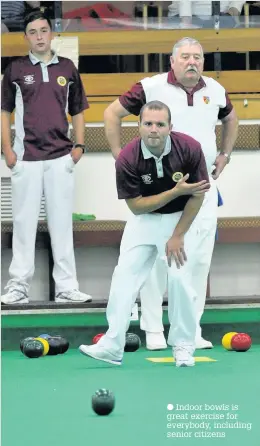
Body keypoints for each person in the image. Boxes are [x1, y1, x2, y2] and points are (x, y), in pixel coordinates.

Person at [103, 37, 238, 350]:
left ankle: (191, 332)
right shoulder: (149, 87)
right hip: (158, 188)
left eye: (197, 57)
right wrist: (119, 155)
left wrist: (225, 154)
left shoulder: (215, 90)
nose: (192, 62)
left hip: (202, 188)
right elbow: (112, 114)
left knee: (198, 259)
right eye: (185, 57)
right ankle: (153, 331)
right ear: (172, 61)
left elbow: (231, 118)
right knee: (155, 260)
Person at [79, 101, 211, 367]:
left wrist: (177, 235)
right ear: (138, 126)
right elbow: (136, 206)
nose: (154, 130)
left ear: (170, 128)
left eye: (160, 124)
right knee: (123, 277)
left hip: (180, 220)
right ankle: (113, 345)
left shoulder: (190, 148)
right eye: (148, 124)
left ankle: (184, 347)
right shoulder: (127, 158)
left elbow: (198, 195)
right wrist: (174, 192)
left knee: (179, 281)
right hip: (144, 220)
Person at [1, 11, 92, 305]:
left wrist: (78, 148)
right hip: (25, 158)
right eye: (33, 32)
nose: (39, 37)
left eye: (43, 30)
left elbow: (78, 111)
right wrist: (8, 151)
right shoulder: (14, 69)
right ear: (25, 37)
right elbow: (4, 113)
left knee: (61, 224)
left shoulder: (68, 67)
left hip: (60, 158)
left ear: (52, 33)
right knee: (24, 224)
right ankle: (18, 287)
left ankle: (67, 286)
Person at [167, 1, 244, 28]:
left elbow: (236, 3)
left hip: (222, 18)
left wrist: (232, 12)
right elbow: (184, 5)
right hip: (187, 17)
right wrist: (186, 22)